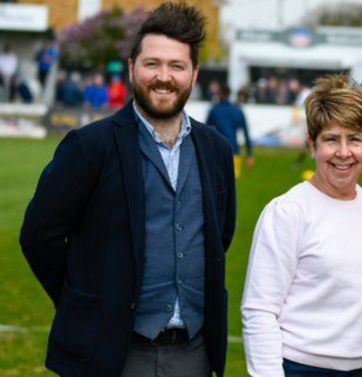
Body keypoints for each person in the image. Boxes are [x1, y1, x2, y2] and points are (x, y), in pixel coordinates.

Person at [19, 3, 235, 377]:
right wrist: (84, 302)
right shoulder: (89, 146)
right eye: (152, 64)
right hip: (112, 354)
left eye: (176, 66)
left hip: (193, 353)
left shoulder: (215, 149)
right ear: (133, 67)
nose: (163, 77)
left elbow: (221, 235)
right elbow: (40, 235)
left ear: (194, 74)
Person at [241, 75, 362, 377]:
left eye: (354, 139)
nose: (344, 153)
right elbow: (260, 310)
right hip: (302, 369)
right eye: (331, 139)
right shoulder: (287, 212)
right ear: (312, 145)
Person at [206, 83, 254, 179]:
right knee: (232, 184)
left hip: (218, 152)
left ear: (220, 94)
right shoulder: (237, 111)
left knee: (218, 185)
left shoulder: (214, 111)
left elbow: (206, 132)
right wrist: (249, 155)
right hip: (234, 151)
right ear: (229, 94)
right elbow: (246, 133)